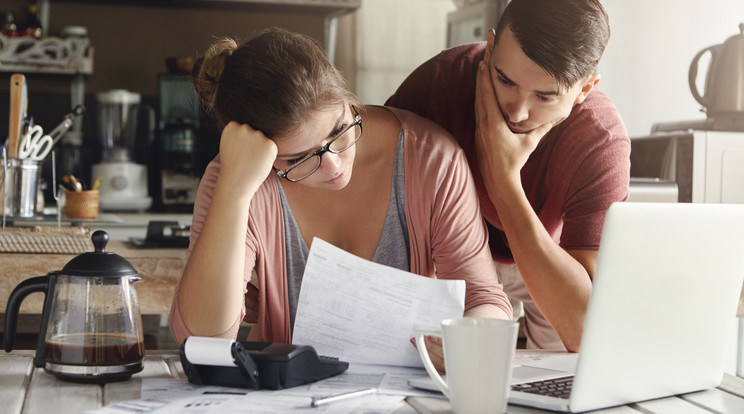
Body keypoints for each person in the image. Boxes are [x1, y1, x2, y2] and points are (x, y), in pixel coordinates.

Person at [169, 28, 513, 368]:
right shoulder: (235, 178)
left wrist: (470, 336)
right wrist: (234, 192)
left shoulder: (431, 158)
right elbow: (201, 341)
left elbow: (485, 298)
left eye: (339, 130)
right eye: (299, 158)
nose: (334, 164)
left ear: (348, 98)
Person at [386, 0, 631, 352]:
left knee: (565, 371)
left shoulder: (600, 140)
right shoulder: (440, 82)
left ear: (585, 89)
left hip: (547, 254)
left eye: (544, 97)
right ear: (490, 47)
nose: (516, 110)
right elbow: (374, 182)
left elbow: (583, 328)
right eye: (504, 79)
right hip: (452, 254)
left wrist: (503, 181)